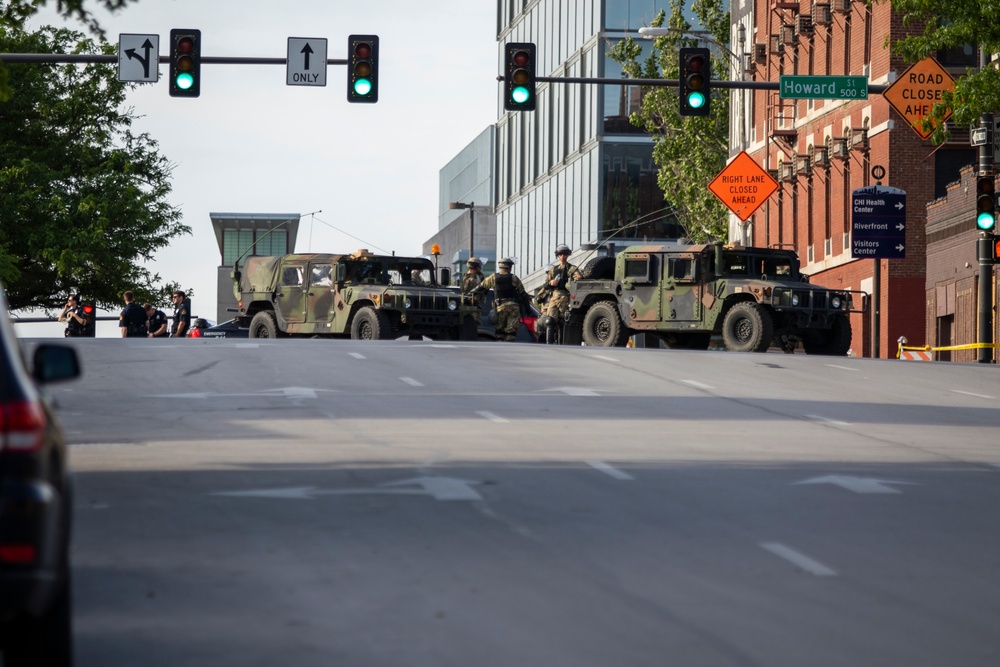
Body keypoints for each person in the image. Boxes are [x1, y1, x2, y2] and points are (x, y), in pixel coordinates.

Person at [472, 257, 527, 342]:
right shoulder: (513, 278)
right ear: (509, 267)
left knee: (499, 332)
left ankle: (500, 347)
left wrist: (469, 294)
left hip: (500, 307)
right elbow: (523, 294)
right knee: (511, 332)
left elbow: (480, 288)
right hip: (513, 307)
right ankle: (509, 348)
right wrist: (527, 309)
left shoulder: (493, 277)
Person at [542, 244, 580, 343]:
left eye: (565, 254)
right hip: (554, 296)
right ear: (558, 255)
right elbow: (545, 284)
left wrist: (577, 277)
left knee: (563, 322)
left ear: (568, 255)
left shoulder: (571, 268)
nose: (563, 256)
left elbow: (578, 277)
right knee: (549, 321)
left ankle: (561, 342)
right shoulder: (553, 269)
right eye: (560, 254)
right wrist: (551, 283)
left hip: (565, 297)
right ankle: (549, 343)